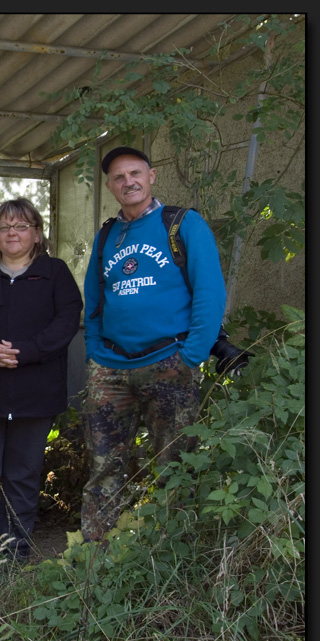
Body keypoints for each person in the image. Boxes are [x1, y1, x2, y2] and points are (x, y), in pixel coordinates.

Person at [80, 146, 226, 543]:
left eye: (135, 173)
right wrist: (95, 350)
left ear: (152, 175)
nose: (128, 181)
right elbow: (93, 301)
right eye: (119, 177)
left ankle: (171, 559)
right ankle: (94, 557)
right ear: (110, 186)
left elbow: (210, 294)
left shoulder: (183, 224)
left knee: (174, 467)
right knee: (104, 467)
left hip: (169, 362)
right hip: (111, 367)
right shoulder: (109, 234)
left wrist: (191, 356)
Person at [0, 198, 82, 562]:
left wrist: (27, 352)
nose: (13, 233)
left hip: (36, 396)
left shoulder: (55, 272)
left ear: (37, 233)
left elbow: (67, 320)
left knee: (22, 477)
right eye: (4, 227)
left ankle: (13, 551)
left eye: (21, 225)